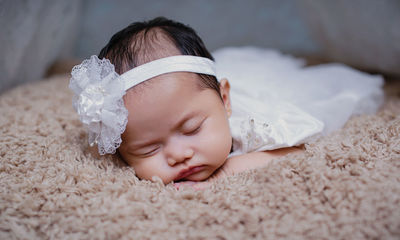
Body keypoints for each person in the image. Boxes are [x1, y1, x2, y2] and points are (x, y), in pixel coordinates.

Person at [69, 17, 383, 189]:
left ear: (224, 100)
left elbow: (296, 150)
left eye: (191, 129)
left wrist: (225, 171)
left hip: (259, 85)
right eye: (148, 148)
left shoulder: (255, 125)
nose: (179, 155)